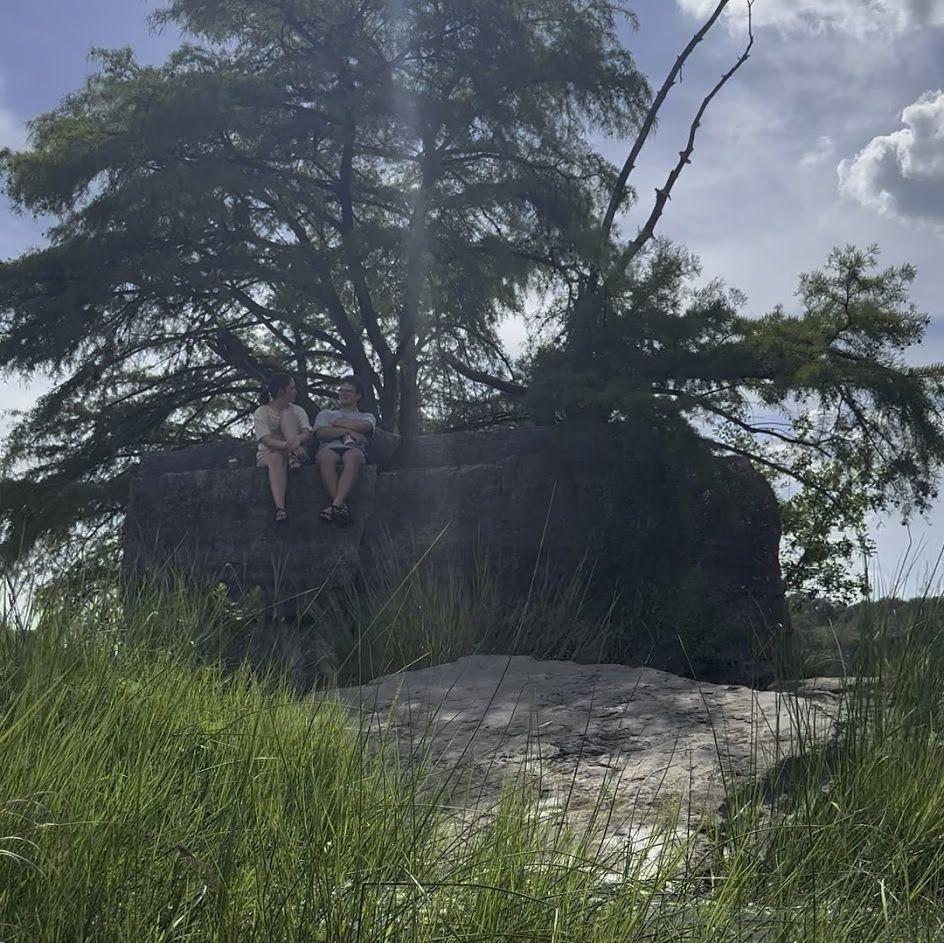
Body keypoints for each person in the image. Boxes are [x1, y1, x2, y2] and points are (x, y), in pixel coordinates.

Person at [313, 376, 376, 525]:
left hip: (354, 450)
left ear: (358, 396)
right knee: (325, 457)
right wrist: (349, 432)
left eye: (348, 391)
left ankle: (334, 506)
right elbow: (321, 433)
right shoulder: (326, 414)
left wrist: (339, 424)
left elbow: (366, 427)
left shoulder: (367, 416)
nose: (343, 394)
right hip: (329, 448)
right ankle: (340, 506)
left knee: (352, 456)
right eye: (341, 390)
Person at [253, 373, 312, 524]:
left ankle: (293, 458)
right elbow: (266, 440)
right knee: (275, 458)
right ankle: (280, 508)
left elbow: (307, 432)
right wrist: (290, 446)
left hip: (295, 451)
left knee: (287, 415)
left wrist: (296, 442)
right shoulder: (262, 412)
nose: (295, 391)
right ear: (281, 391)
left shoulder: (297, 410)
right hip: (270, 454)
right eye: (292, 388)